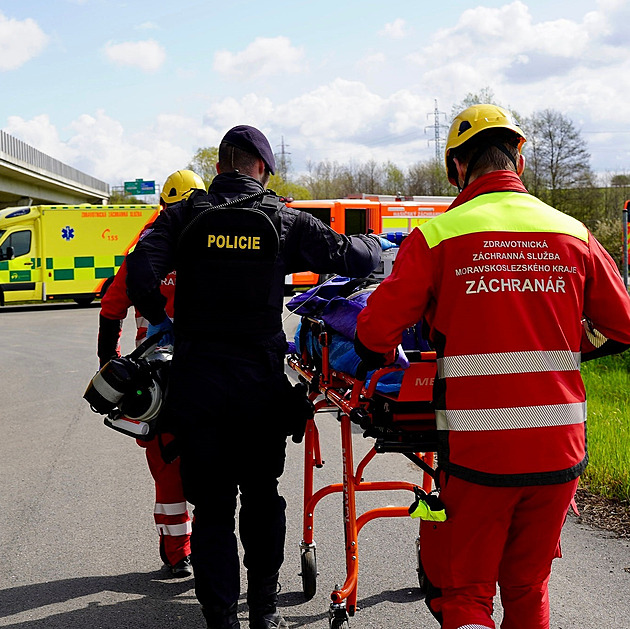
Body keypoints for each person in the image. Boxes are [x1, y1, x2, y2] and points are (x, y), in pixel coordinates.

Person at [354, 104, 630, 629]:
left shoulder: (438, 236)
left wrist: (382, 356)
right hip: (560, 448)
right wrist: (572, 343)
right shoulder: (572, 232)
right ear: (519, 159)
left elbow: (374, 334)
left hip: (481, 452)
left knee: (467, 592)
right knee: (527, 585)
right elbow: (624, 327)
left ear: (457, 167)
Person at [124, 124, 382, 629]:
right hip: (258, 388)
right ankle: (263, 612)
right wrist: (375, 246)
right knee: (262, 498)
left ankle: (220, 620)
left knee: (213, 509)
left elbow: (137, 273)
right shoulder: (282, 218)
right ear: (261, 168)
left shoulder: (183, 216)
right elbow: (348, 256)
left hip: (197, 385)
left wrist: (166, 323)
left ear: (220, 165)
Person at [97, 169, 206, 578]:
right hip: (201, 371)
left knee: (167, 463)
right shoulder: (211, 242)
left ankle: (178, 550)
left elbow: (111, 308)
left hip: (156, 381)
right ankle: (187, 547)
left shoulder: (144, 249)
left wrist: (110, 363)